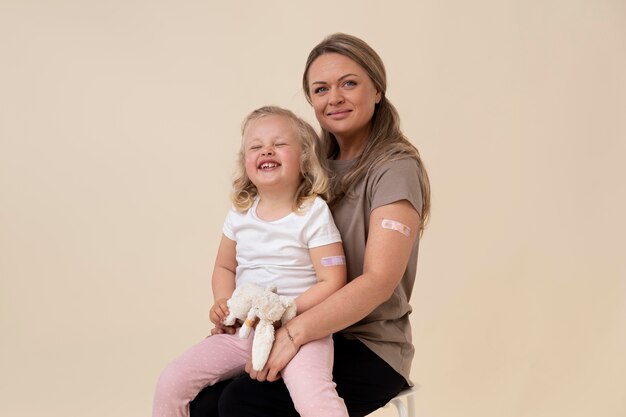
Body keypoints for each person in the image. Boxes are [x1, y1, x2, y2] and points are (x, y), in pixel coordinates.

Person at [190, 32, 431, 417]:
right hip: (291, 326)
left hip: (366, 344)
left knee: (242, 402)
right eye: (320, 89)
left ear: (377, 89)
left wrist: (294, 334)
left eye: (349, 83)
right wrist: (241, 316)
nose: (333, 98)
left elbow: (379, 280)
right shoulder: (306, 166)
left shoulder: (395, 169)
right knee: (203, 403)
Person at [153, 106, 350, 417]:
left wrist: (287, 311)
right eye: (255, 146)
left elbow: (333, 280)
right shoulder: (240, 214)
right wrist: (223, 303)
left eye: (279, 144)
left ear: (305, 159)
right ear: (245, 162)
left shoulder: (312, 213)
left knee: (314, 398)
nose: (266, 150)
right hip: (245, 330)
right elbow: (225, 267)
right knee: (172, 379)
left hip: (301, 331)